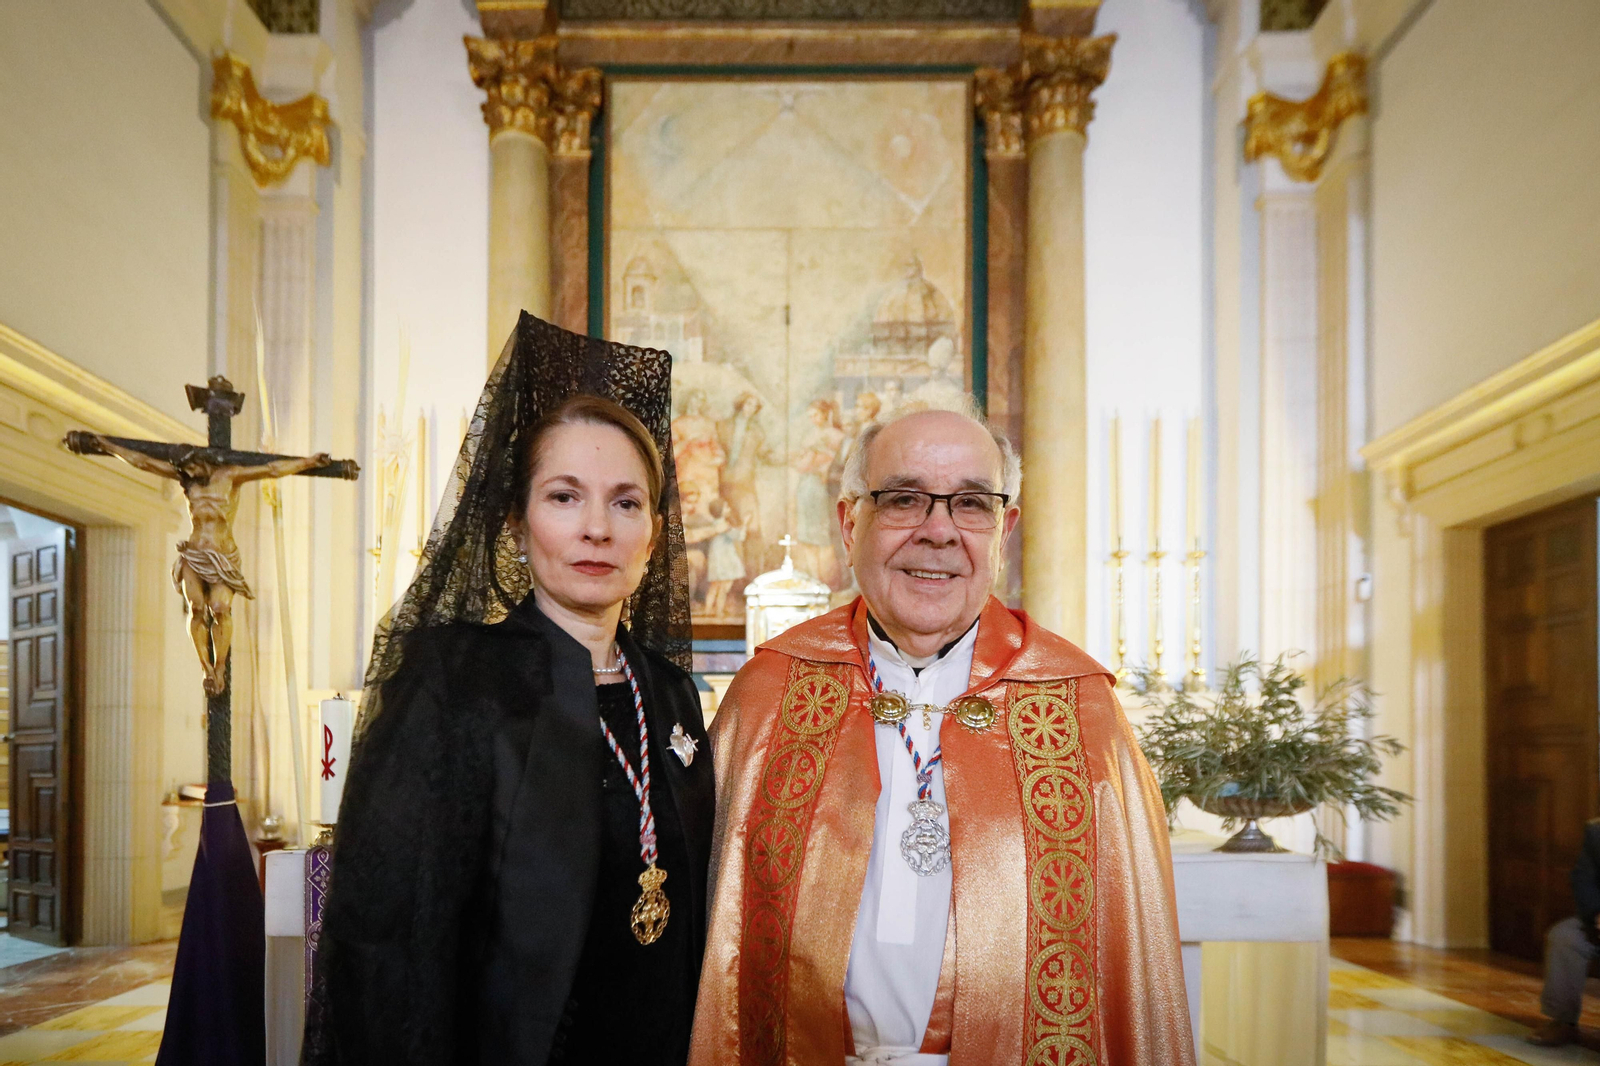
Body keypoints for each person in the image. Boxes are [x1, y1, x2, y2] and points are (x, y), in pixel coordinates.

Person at [690, 400, 1195, 1065]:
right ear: (850, 522)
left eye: (971, 504)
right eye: (903, 499)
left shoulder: (1079, 707)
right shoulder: (769, 693)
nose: (938, 531)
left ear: (1003, 529)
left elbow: (1132, 971)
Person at [304, 315, 712, 1066]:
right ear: (516, 527)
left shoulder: (673, 693)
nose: (597, 528)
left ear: (654, 535)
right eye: (564, 497)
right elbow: (388, 942)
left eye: (626, 502)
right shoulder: (452, 681)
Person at [83, 434, 331, 695]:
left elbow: (271, 469)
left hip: (223, 555)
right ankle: (206, 670)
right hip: (195, 553)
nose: (188, 474)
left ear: (201, 461)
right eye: (184, 471)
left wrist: (308, 462)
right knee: (197, 607)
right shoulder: (187, 480)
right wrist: (108, 447)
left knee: (221, 607)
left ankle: (220, 666)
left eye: (191, 467)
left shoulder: (230, 475)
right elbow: (143, 462)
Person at [1528, 819, 1600, 1047]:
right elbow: (1583, 879)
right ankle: (1562, 1021)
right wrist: (1596, 914)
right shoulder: (1596, 831)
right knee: (1564, 936)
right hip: (1598, 920)